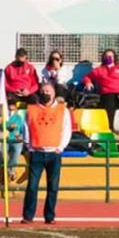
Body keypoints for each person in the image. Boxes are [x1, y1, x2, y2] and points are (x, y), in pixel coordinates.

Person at [22, 82, 71, 224]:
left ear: (54, 93)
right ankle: (28, 216)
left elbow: (66, 130)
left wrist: (61, 147)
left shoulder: (63, 110)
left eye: (48, 91)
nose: (46, 93)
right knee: (32, 186)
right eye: (43, 91)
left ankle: (49, 216)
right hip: (36, 152)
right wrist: (28, 146)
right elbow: (26, 128)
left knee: (53, 187)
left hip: (54, 153)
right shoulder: (31, 110)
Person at [82, 48, 119, 128]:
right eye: (106, 56)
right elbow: (87, 77)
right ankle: (111, 127)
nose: (109, 58)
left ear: (114, 57)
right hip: (107, 93)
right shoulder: (99, 70)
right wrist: (88, 82)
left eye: (111, 56)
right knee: (109, 101)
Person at [2, 102, 26, 185]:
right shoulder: (3, 116)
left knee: (15, 156)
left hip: (16, 141)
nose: (11, 110)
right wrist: (8, 126)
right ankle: (10, 171)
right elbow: (0, 125)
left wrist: (21, 136)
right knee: (3, 156)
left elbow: (23, 128)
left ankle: (11, 171)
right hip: (5, 140)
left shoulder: (20, 117)